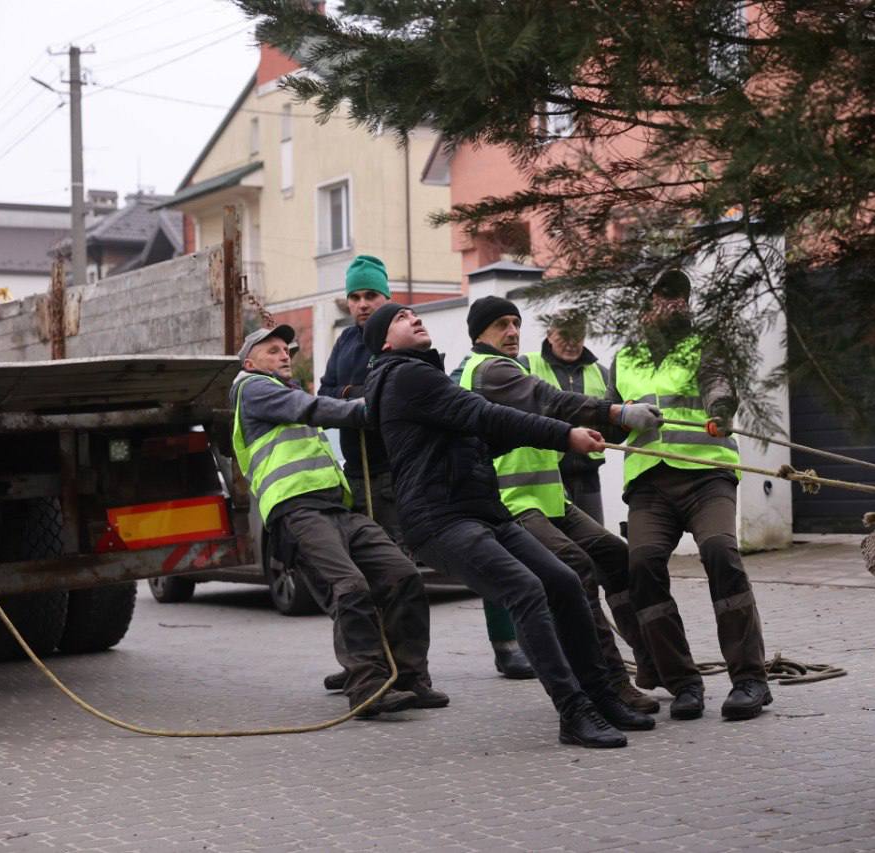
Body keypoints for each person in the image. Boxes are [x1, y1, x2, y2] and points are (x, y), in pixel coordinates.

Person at [361, 302, 655, 747]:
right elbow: (486, 416)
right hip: (440, 520)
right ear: (384, 343)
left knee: (564, 581)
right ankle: (574, 711)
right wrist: (565, 434)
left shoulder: (422, 377)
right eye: (401, 318)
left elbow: (480, 438)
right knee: (526, 589)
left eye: (413, 313)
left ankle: (602, 695)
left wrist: (555, 433)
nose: (414, 318)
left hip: (481, 511)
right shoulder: (405, 375)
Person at [317, 255, 533, 686]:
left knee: (407, 573)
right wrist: (352, 397)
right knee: (360, 575)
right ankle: (365, 662)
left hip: (401, 475)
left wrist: (360, 398)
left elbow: (398, 395)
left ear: (387, 298)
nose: (362, 304)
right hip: (359, 476)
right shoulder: (344, 343)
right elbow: (325, 393)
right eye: (355, 297)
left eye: (371, 295)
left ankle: (446, 660)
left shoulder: (403, 342)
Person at [231, 324, 444, 718]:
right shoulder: (253, 389)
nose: (284, 355)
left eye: (286, 350)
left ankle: (409, 678)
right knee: (350, 588)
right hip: (297, 512)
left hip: (335, 509)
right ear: (249, 363)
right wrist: (364, 409)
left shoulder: (284, 393)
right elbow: (314, 408)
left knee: (403, 575)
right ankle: (368, 689)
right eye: (272, 350)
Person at [460, 296, 661, 713]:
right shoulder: (489, 370)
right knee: (575, 569)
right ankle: (608, 683)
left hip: (551, 496)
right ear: (479, 333)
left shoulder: (517, 367)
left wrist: (618, 421)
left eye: (516, 323)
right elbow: (550, 400)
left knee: (614, 555)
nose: (512, 332)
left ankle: (652, 660)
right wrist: (619, 412)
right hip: (510, 503)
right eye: (501, 324)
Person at [608, 270, 771, 721]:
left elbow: (719, 385)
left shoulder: (705, 345)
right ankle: (682, 682)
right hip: (649, 483)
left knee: (720, 552)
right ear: (644, 306)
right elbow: (610, 416)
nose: (675, 303)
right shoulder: (624, 358)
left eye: (681, 296)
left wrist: (721, 411)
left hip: (706, 475)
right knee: (642, 565)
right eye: (664, 295)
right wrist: (614, 419)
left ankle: (750, 679)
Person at [523, 312, 609, 524]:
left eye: (577, 336)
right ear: (549, 335)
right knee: (555, 537)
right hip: (545, 474)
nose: (571, 342)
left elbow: (613, 421)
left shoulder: (601, 373)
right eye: (564, 335)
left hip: (587, 474)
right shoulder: (525, 365)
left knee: (596, 537)